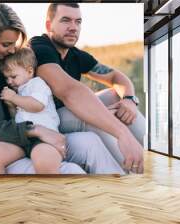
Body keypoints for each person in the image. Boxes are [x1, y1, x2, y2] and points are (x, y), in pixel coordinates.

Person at [0, 3, 87, 174]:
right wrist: (37, 130)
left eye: (14, 43)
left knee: (92, 136)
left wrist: (94, 108)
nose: (13, 49)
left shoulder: (11, 63)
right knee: (71, 171)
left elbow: (41, 98)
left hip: (26, 130)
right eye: (6, 44)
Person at [29, 3, 146, 173]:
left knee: (116, 96)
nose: (73, 27)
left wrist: (129, 100)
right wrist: (122, 133)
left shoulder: (74, 54)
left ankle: (148, 155)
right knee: (92, 117)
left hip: (67, 113)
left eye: (78, 22)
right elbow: (69, 91)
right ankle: (130, 172)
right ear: (49, 25)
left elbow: (115, 77)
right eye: (66, 20)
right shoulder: (39, 48)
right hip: (45, 118)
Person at [0, 48, 63, 174]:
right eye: (6, 78)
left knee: (44, 161)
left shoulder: (37, 84)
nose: (9, 81)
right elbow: (18, 118)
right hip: (22, 137)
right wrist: (11, 106)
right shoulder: (20, 91)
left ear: (29, 71)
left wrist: (14, 98)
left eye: (13, 76)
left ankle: (49, 191)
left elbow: (37, 106)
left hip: (44, 138)